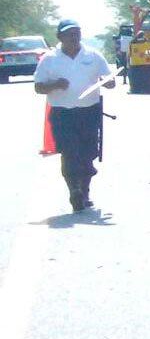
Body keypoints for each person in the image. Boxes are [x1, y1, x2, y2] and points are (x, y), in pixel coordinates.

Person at [33, 19, 116, 212]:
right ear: (60, 37)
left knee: (88, 154)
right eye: (69, 34)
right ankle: (74, 190)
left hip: (89, 112)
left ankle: (85, 191)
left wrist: (107, 83)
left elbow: (109, 79)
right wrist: (55, 84)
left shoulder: (93, 55)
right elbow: (38, 87)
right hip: (62, 114)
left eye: (77, 33)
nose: (74, 37)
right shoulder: (49, 58)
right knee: (69, 153)